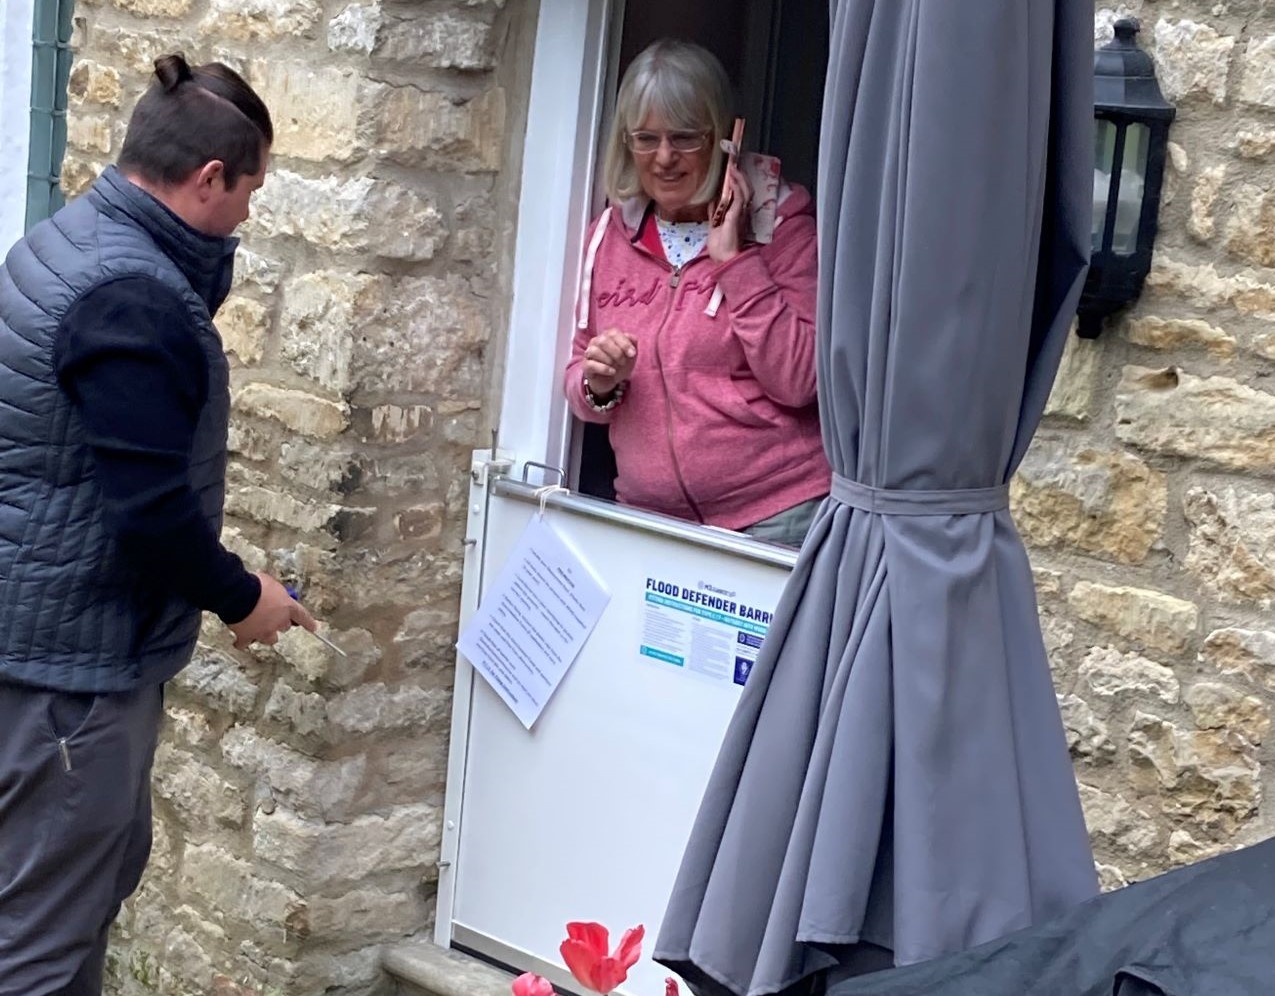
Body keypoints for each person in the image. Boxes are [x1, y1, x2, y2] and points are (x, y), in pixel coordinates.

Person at [0, 54, 315, 994]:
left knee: (59, 904)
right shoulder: (128, 296)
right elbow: (144, 510)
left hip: (35, 646)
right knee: (40, 949)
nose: (249, 218)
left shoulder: (70, 240)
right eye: (250, 191)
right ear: (209, 178)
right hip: (70, 675)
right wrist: (240, 597)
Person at [564, 39, 830, 548]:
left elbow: (801, 380)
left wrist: (735, 262)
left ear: (725, 139)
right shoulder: (606, 238)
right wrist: (600, 384)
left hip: (778, 516)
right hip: (651, 522)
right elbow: (577, 379)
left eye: (684, 138)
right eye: (646, 139)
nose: (664, 158)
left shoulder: (784, 229)